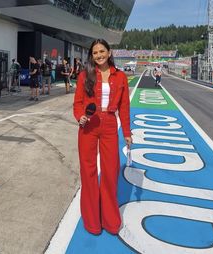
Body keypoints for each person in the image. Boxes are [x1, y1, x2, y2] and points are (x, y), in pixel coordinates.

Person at [73, 39, 132, 235]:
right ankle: (92, 221)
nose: (98, 55)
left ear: (109, 52)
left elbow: (124, 107)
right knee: (88, 173)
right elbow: (78, 103)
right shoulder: (84, 75)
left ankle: (110, 220)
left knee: (110, 171)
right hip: (88, 125)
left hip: (108, 125)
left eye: (102, 51)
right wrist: (80, 116)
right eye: (95, 53)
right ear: (92, 55)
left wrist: (127, 132)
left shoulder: (120, 76)